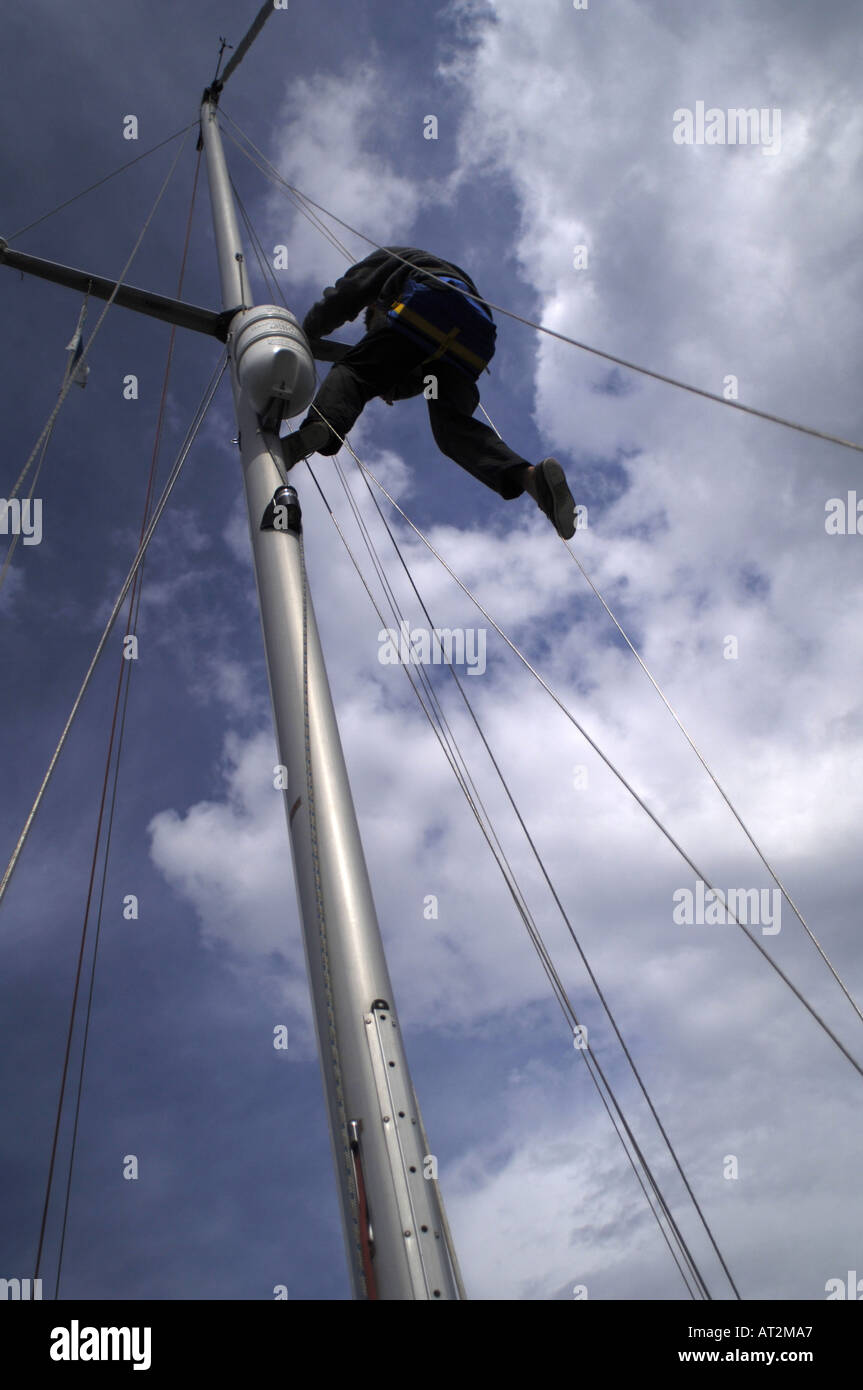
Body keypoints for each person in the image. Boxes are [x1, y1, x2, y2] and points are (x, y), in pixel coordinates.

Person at [282, 246, 577, 539]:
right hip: (471, 343)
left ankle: (323, 426)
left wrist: (305, 333)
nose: (375, 335)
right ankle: (529, 478)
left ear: (376, 310)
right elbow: (419, 377)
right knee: (450, 430)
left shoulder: (393, 261)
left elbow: (348, 294)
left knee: (354, 373)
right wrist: (392, 385)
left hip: (428, 304)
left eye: (376, 327)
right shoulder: (434, 277)